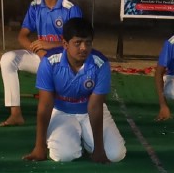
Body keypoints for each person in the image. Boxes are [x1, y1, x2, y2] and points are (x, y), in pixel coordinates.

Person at [23, 17, 125, 164]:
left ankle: (89, 142)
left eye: (88, 43)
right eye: (78, 43)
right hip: (61, 111)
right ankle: (77, 139)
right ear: (65, 44)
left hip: (90, 111)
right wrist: (39, 147)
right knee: (63, 156)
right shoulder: (49, 62)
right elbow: (45, 105)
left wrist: (99, 148)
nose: (83, 48)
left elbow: (95, 106)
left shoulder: (100, 64)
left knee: (115, 155)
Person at [0, 0, 79, 127]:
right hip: (42, 57)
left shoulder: (70, 9)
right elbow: (22, 36)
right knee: (8, 59)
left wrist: (49, 45)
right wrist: (39, 50)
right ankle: (15, 113)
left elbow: (77, 42)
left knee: (63, 111)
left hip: (64, 60)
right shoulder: (35, 6)